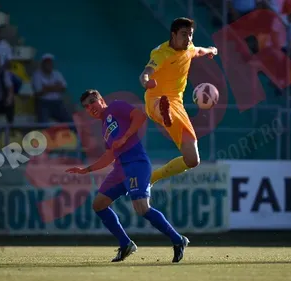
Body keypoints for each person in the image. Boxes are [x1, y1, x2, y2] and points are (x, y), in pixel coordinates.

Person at [66, 90, 189, 263]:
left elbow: (140, 117)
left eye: (93, 102)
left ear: (101, 100)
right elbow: (109, 155)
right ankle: (126, 244)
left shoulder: (115, 107)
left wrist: (124, 137)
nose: (90, 107)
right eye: (86, 106)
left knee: (142, 208)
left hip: (136, 164)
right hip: (120, 169)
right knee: (99, 204)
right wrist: (86, 170)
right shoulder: (104, 127)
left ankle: (178, 240)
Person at [138, 17, 218, 185]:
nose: (188, 38)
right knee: (161, 105)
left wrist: (211, 50)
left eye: (190, 34)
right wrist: (146, 82)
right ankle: (163, 111)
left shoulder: (188, 48)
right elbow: (146, 72)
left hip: (176, 104)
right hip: (155, 98)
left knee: (192, 160)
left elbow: (198, 51)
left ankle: (153, 177)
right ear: (173, 35)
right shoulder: (161, 53)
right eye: (184, 34)